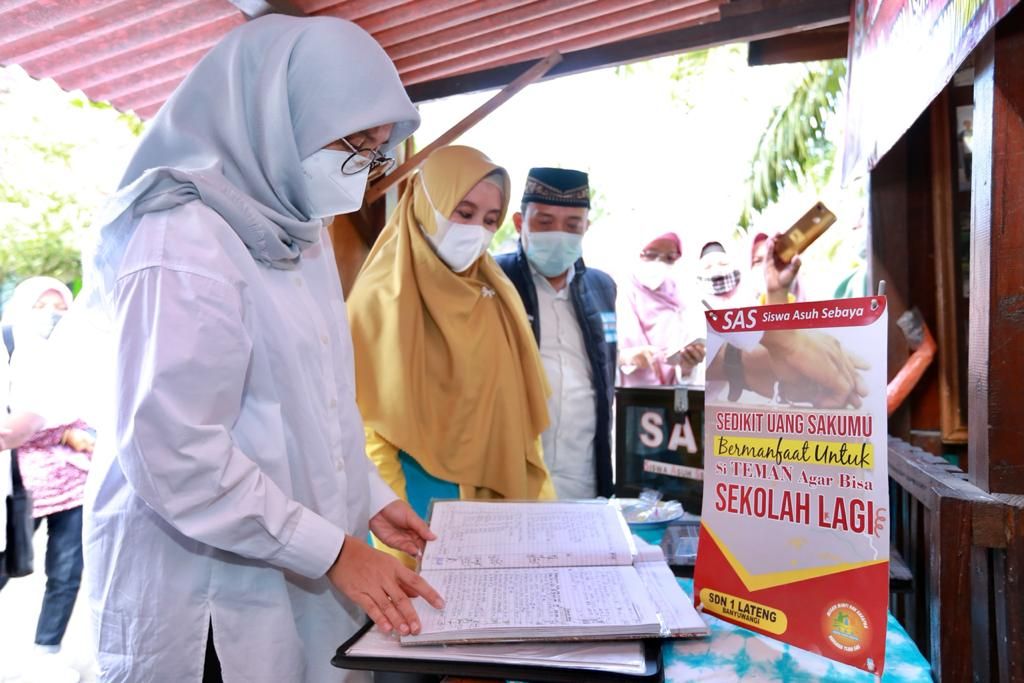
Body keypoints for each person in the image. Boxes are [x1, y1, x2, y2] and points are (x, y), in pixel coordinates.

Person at [81, 16, 443, 682]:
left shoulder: (295, 231)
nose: (362, 170)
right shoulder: (185, 239)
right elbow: (172, 452)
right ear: (278, 114)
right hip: (210, 607)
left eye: (374, 151)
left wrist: (367, 498)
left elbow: (314, 405)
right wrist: (332, 550)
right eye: (351, 144)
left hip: (294, 569)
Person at [347, 146, 555, 553]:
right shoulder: (378, 300)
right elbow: (368, 434)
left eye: (490, 220)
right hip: (415, 513)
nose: (477, 229)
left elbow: (523, 423)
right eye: (464, 212)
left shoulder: (497, 297)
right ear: (427, 203)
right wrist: (396, 546)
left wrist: (541, 514)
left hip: (499, 509)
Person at [495, 167, 616, 500]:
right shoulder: (494, 279)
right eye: (545, 223)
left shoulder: (601, 287)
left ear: (586, 228)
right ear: (521, 223)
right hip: (514, 476)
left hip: (585, 475)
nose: (559, 234)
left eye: (572, 225)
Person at [0, 277, 94, 683]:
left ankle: (46, 652)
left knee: (67, 570)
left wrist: (75, 432)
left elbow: (88, 409)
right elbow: (16, 426)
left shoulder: (74, 354)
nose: (52, 314)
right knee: (7, 561)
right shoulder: (10, 350)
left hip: (73, 478)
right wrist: (61, 431)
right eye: (41, 305)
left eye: (60, 306)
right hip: (21, 479)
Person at [617, 230, 705, 387]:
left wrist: (687, 366)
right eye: (651, 254)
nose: (659, 262)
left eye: (669, 257)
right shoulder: (617, 294)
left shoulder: (681, 299)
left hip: (672, 400)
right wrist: (626, 357)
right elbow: (600, 356)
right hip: (629, 398)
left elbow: (684, 376)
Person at [696, 239, 757, 309]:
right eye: (708, 267)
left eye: (723, 264)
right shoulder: (695, 304)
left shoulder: (751, 292)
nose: (716, 271)